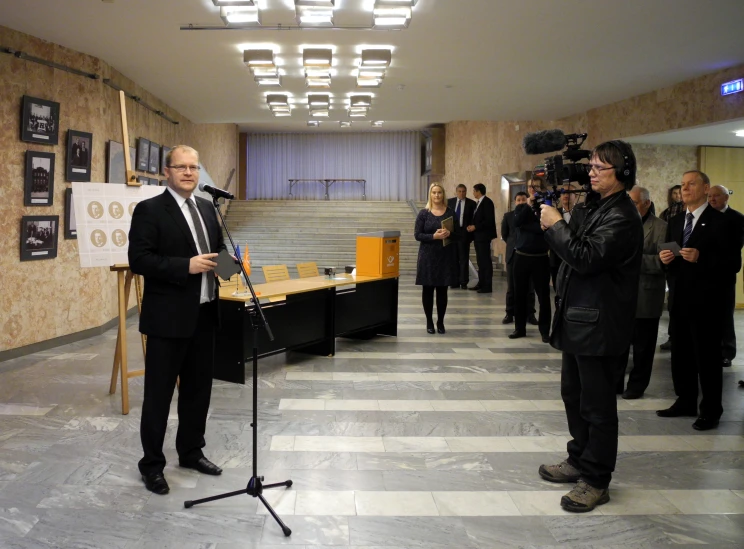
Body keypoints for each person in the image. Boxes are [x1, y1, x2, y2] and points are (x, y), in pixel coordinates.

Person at [537, 140, 643, 512]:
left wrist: (557, 225)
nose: (591, 173)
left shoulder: (623, 216)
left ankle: (596, 479)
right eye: (591, 167)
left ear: (623, 174)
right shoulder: (594, 206)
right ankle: (579, 459)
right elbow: (571, 247)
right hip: (578, 318)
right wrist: (562, 221)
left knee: (597, 407)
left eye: (600, 168)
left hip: (601, 325)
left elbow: (585, 257)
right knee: (574, 397)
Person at [128, 144, 226, 495]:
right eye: (181, 167)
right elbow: (139, 259)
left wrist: (234, 266)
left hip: (203, 315)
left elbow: (217, 256)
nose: (188, 173)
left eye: (194, 167)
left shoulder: (205, 208)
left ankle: (191, 451)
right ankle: (152, 465)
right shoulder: (150, 210)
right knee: (158, 396)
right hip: (167, 320)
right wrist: (185, 266)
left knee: (198, 392)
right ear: (166, 172)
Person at [656, 171, 739, 431]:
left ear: (705, 188)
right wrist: (666, 260)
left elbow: (733, 264)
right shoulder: (677, 219)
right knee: (681, 354)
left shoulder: (724, 221)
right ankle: (685, 400)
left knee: (707, 357)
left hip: (708, 301)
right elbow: (670, 257)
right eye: (683, 184)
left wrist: (701, 258)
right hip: (680, 298)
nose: (685, 188)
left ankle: (711, 410)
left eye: (692, 184)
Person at [616, 186, 667, 399]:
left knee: (643, 348)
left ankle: (637, 386)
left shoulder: (663, 227)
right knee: (618, 345)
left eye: (635, 203)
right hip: (620, 296)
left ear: (646, 203)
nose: (631, 206)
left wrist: (634, 260)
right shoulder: (620, 223)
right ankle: (615, 383)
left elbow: (667, 261)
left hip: (646, 296)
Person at [707, 184, 744, 367]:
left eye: (716, 196)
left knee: (725, 315)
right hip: (705, 274)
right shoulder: (705, 216)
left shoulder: (737, 219)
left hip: (725, 273)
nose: (712, 199)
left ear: (726, 198)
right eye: (710, 196)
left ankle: (727, 352)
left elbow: (734, 248)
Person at [510, 180, 551, 342]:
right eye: (530, 187)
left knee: (544, 296)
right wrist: (528, 205)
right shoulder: (522, 207)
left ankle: (545, 331)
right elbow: (517, 223)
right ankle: (519, 328)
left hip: (540, 258)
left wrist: (532, 227)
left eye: (536, 187)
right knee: (519, 294)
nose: (533, 190)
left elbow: (546, 227)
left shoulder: (547, 207)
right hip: (522, 257)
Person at [415, 183, 457, 334]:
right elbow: (417, 235)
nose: (437, 195)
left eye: (439, 192)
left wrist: (448, 234)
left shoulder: (450, 213)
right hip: (427, 256)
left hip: (444, 256)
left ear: (443, 194)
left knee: (442, 290)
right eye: (434, 192)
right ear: (430, 195)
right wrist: (434, 236)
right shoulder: (423, 213)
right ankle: (429, 322)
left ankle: (440, 321)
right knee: (427, 290)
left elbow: (458, 234)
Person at [501, 192, 535, 324]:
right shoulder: (508, 216)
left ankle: (530, 314)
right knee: (511, 287)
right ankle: (510, 313)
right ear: (515, 202)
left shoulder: (532, 215)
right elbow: (504, 235)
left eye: (523, 200)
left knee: (529, 288)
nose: (521, 202)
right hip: (513, 255)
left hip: (528, 255)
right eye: (518, 200)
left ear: (527, 201)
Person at [467, 183, 497, 293]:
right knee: (480, 261)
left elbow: (488, 221)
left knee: (485, 261)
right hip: (478, 236)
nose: (473, 193)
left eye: (474, 191)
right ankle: (481, 282)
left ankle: (487, 285)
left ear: (479, 191)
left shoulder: (487, 202)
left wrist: (475, 226)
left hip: (484, 236)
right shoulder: (478, 203)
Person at [447, 184, 476, 289]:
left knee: (464, 258)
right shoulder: (450, 202)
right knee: (453, 258)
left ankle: (463, 281)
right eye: (459, 191)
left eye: (463, 191)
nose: (461, 193)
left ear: (466, 192)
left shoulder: (471, 203)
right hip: (452, 233)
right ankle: (454, 281)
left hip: (464, 233)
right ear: (456, 192)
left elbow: (474, 218)